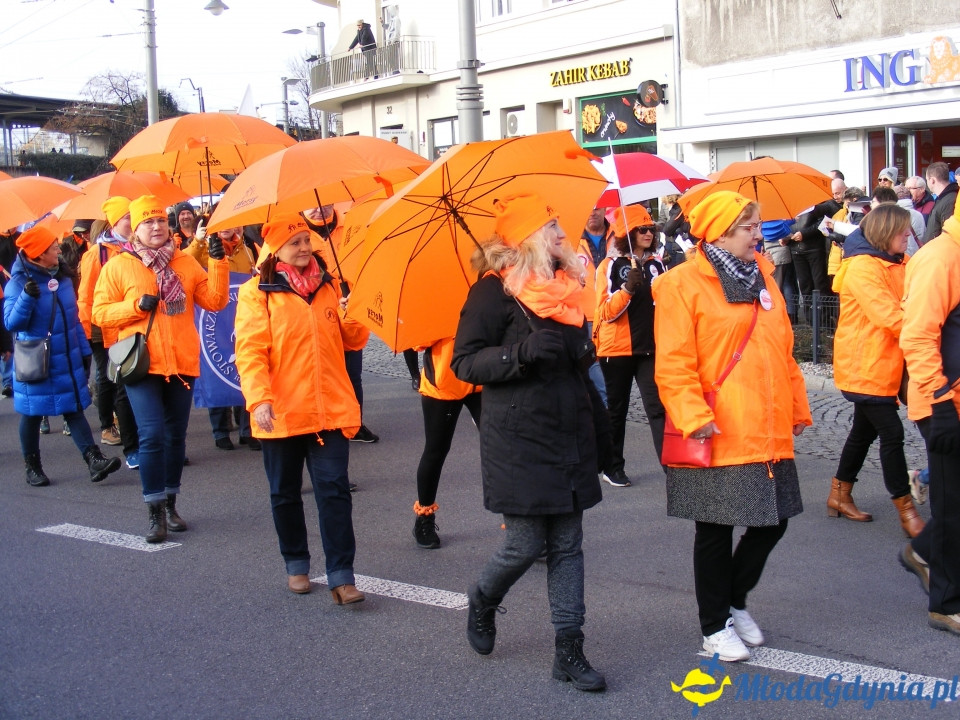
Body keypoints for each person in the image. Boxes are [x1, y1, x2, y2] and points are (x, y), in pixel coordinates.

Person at [451, 193, 605, 692]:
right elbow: (464, 362)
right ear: (529, 238)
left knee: (567, 546)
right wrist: (519, 352)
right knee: (523, 543)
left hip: (569, 430)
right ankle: (483, 597)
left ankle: (570, 650)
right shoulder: (493, 293)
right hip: (517, 437)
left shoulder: (566, 287)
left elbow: (577, 360)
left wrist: (584, 346)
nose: (563, 237)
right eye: (553, 229)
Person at [652, 190, 812, 662]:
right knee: (715, 529)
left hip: (766, 422)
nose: (758, 234)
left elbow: (783, 351)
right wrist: (692, 416)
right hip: (716, 425)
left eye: (758, 225)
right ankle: (714, 625)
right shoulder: (683, 284)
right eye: (749, 227)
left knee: (774, 521)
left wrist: (798, 407)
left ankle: (734, 599)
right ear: (720, 231)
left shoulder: (765, 276)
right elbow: (674, 361)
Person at [234, 213, 368, 603]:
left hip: (330, 408)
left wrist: (350, 308)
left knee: (335, 492)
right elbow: (251, 350)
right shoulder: (258, 291)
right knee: (284, 493)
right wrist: (259, 398)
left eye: (306, 240)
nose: (304, 248)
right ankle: (296, 563)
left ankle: (342, 576)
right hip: (281, 410)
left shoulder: (331, 284)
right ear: (275, 248)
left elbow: (355, 340)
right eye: (294, 242)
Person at [92, 195, 229, 542]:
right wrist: (134, 306)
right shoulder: (119, 265)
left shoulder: (185, 263)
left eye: (159, 221)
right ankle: (154, 511)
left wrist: (218, 262)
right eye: (147, 222)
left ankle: (170, 504)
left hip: (181, 362)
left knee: (175, 438)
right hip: (142, 364)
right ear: (135, 229)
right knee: (151, 435)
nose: (155, 227)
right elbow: (99, 313)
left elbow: (215, 301)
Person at [828, 204, 924, 537]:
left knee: (863, 432)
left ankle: (839, 493)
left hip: (886, 364)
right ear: (885, 233)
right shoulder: (863, 268)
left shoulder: (901, 262)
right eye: (902, 231)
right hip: (864, 364)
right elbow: (890, 316)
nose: (908, 236)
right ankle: (906, 509)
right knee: (892, 434)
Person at [4, 226, 122, 487]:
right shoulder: (18, 284)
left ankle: (94, 460)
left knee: (73, 408)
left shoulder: (63, 278)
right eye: (52, 246)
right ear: (38, 254)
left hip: (66, 358)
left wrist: (83, 351)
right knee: (32, 414)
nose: (59, 248)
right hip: (38, 360)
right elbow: (12, 323)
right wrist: (26, 297)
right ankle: (32, 466)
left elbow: (73, 321)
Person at [899, 192, 960, 636]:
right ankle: (946, 603)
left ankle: (922, 549)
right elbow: (918, 336)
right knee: (954, 508)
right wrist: (941, 403)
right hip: (948, 404)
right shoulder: (940, 258)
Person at [594, 204, 666, 488]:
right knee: (616, 410)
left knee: (658, 408)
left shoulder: (657, 264)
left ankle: (671, 467)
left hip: (651, 347)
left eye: (652, 228)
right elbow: (605, 312)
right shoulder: (610, 266)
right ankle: (612, 467)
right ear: (628, 232)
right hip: (616, 350)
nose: (648, 233)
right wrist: (627, 290)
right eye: (642, 229)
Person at [304, 205, 379, 444]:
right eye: (311, 206)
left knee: (352, 373)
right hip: (316, 312)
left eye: (323, 204)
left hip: (350, 309)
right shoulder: (295, 235)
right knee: (323, 374)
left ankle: (355, 423)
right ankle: (324, 426)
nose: (317, 210)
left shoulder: (352, 226)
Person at [77, 196, 140, 469]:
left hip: (134, 323)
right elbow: (86, 297)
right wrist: (88, 332)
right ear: (116, 222)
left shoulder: (139, 248)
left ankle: (143, 438)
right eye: (128, 218)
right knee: (113, 380)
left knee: (133, 381)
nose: (133, 222)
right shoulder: (97, 253)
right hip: (105, 328)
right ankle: (116, 433)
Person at [185, 221, 260, 451]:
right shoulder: (200, 249)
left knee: (245, 372)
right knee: (214, 373)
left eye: (231, 221)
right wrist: (198, 241)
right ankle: (220, 431)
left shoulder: (249, 249)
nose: (226, 227)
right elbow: (185, 264)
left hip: (240, 316)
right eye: (220, 223)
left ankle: (248, 430)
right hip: (212, 321)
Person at [411, 337, 481, 548]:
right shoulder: (431, 302)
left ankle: (520, 526)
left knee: (500, 449)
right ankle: (424, 517)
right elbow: (416, 340)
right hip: (443, 381)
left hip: (482, 378)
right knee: (436, 450)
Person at [576, 206, 613, 405]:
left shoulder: (619, 235)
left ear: (604, 209)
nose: (592, 212)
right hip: (586, 318)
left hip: (613, 316)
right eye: (588, 208)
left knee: (612, 379)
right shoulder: (571, 239)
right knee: (598, 380)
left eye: (597, 208)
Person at [788, 178, 844, 296]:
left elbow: (822, 221)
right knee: (805, 285)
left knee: (820, 284)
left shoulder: (820, 203)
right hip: (796, 249)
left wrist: (805, 233)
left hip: (814, 248)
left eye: (837, 193)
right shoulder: (789, 203)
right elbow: (788, 224)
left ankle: (823, 314)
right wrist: (786, 238)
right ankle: (809, 314)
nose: (835, 196)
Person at [761, 220, 796, 322]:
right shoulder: (782, 222)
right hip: (784, 254)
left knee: (777, 286)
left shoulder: (765, 224)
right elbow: (789, 234)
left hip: (773, 256)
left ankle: (781, 313)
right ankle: (792, 313)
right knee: (787, 284)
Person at [922, 162, 959, 245]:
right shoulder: (943, 198)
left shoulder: (950, 200)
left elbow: (949, 234)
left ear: (932, 180)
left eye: (927, 179)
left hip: (943, 253)